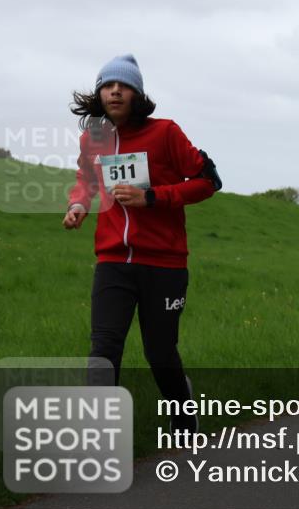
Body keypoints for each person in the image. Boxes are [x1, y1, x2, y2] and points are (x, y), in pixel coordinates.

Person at [64, 54, 221, 432]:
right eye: (107, 85)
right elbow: (86, 178)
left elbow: (208, 182)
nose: (115, 90)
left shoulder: (165, 133)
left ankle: (182, 410)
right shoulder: (93, 139)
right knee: (104, 348)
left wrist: (152, 198)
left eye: (124, 85)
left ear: (137, 94)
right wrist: (79, 203)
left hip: (164, 263)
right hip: (113, 261)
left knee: (160, 353)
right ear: (99, 93)